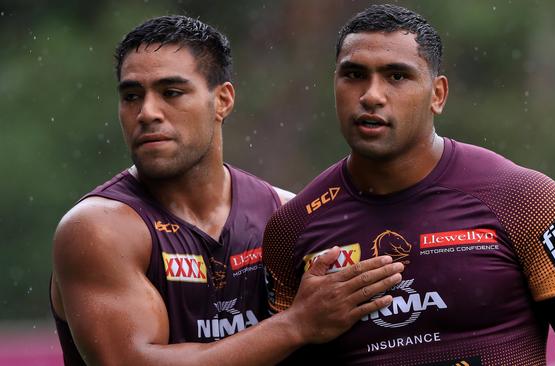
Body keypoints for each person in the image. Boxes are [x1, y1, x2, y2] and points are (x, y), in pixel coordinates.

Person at [263, 4, 555, 365]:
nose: (371, 96)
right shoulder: (292, 229)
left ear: (438, 95)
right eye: (354, 75)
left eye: (397, 76)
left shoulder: (531, 202)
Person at [50, 15, 405, 366]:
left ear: (223, 100)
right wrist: (296, 325)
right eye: (131, 96)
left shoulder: (286, 216)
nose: (147, 112)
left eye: (171, 92)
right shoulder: (97, 230)